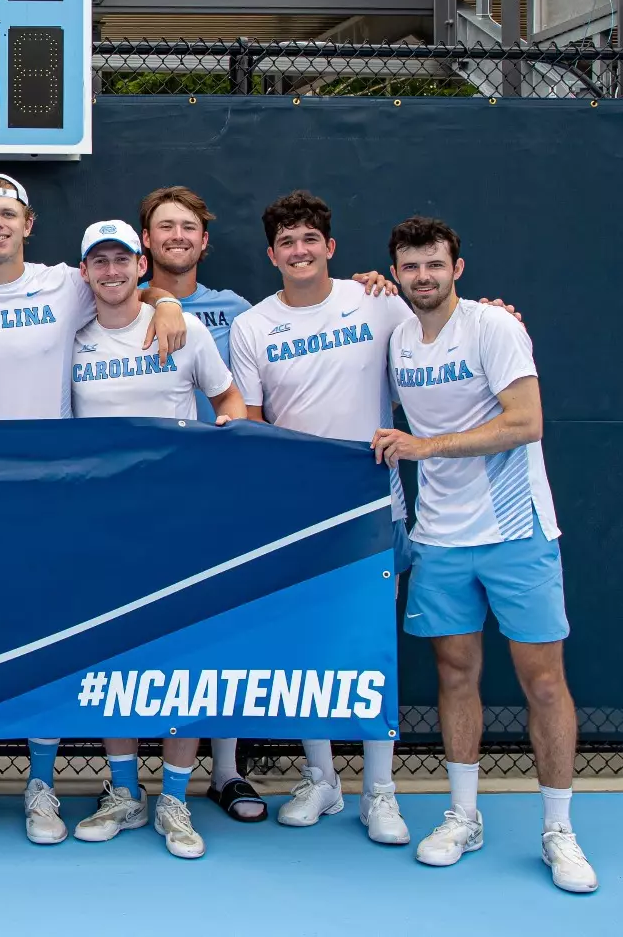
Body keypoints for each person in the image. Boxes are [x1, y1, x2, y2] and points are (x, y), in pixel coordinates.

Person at [0, 173, 187, 846]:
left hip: (58, 498)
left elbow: (126, 288)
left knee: (52, 642)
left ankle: (40, 784)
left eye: (9, 212)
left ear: (29, 224)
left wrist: (167, 301)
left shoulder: (65, 284)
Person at [373, 217, 595, 893]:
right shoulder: (396, 331)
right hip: (440, 539)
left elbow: (525, 421)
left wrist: (426, 446)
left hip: (516, 533)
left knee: (544, 681)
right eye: (409, 267)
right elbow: (365, 298)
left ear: (457, 268)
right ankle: (463, 814)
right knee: (455, 673)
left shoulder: (494, 328)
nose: (422, 277)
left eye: (434, 265)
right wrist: (373, 286)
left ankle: (559, 828)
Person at [226, 191, 415, 846]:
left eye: (311, 239)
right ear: (272, 254)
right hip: (300, 518)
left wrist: (498, 313)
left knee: (371, 649)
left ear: (329, 247)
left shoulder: (379, 302)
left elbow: (442, 322)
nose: (299, 250)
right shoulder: (252, 326)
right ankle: (322, 778)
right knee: (309, 649)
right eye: (287, 242)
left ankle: (381, 791)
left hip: (375, 507)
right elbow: (250, 425)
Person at [64, 219, 244, 860]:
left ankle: (173, 797)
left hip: (176, 527)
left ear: (141, 265)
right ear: (84, 272)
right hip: (100, 530)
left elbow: (231, 403)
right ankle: (122, 791)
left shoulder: (184, 328)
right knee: (111, 659)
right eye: (99, 263)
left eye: (121, 261)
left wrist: (210, 472)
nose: (111, 272)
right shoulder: (72, 338)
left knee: (181, 659)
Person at [135, 186, 266, 822]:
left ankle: (227, 772)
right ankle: (126, 783)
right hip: (142, 503)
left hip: (216, 499)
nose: (177, 236)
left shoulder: (237, 311)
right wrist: (157, 300)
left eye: (188, 227)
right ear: (145, 243)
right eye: (165, 228)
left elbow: (241, 397)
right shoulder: (118, 302)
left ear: (205, 240)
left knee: (215, 628)